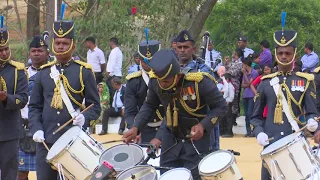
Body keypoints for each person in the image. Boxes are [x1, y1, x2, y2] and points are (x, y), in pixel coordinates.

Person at [122, 49, 228, 179]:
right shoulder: (156, 81)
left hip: (196, 142)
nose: (161, 84)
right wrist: (135, 127)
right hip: (170, 141)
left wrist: (203, 125)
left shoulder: (199, 82)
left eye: (165, 81)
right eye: (159, 80)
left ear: (177, 75)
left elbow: (221, 106)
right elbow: (149, 105)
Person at [28, 18, 101, 180]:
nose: (61, 46)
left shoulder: (84, 72)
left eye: (65, 43)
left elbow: (95, 106)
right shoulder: (43, 72)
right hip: (46, 142)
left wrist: (85, 118)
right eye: (58, 42)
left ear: (73, 45)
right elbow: (34, 107)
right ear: (53, 44)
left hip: (73, 141)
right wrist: (36, 128)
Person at [250, 26, 320, 180]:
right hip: (271, 146)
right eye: (280, 53)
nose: (283, 56)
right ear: (275, 54)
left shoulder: (305, 81)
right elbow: (255, 117)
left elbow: (313, 112)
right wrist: (258, 131)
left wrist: (312, 122)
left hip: (295, 145)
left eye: (287, 53)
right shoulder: (265, 83)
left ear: (295, 55)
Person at [175, 29, 220, 150]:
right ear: (175, 49)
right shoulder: (170, 70)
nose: (182, 50)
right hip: (174, 128)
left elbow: (215, 105)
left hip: (198, 126)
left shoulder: (203, 70)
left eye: (186, 47)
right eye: (180, 47)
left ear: (193, 49)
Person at [0, 16, 28, 180]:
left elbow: (23, 98)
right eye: (0, 50)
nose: (4, 53)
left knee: (9, 174)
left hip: (9, 131)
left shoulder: (17, 70)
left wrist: (6, 98)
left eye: (6, 49)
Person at [18, 35, 49, 180]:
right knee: (21, 172)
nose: (36, 54)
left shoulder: (54, 73)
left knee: (47, 172)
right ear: (29, 53)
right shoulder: (20, 74)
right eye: (33, 51)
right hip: (23, 129)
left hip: (46, 129)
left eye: (40, 51)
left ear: (47, 53)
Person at [125, 39, 164, 143]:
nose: (149, 64)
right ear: (140, 60)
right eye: (145, 61)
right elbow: (130, 112)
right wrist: (135, 128)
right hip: (143, 130)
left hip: (166, 128)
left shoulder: (167, 78)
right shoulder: (133, 82)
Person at [225, 48, 243, 126]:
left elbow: (234, 73)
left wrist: (226, 73)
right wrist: (226, 63)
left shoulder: (240, 63)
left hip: (234, 85)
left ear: (236, 54)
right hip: (228, 85)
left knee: (234, 103)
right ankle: (228, 121)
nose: (233, 55)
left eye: (234, 54)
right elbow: (226, 68)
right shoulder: (233, 62)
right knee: (228, 102)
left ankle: (233, 119)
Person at [241, 55, 259, 137]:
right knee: (246, 114)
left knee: (250, 113)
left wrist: (245, 74)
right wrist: (246, 83)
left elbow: (249, 83)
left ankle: (253, 130)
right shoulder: (245, 73)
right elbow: (242, 85)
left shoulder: (254, 72)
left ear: (245, 64)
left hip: (251, 94)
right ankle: (248, 131)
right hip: (245, 95)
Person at [106, 37, 123, 105]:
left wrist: (109, 73)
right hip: (118, 74)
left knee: (112, 94)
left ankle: (113, 107)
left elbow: (111, 64)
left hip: (113, 75)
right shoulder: (119, 51)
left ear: (111, 43)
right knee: (116, 92)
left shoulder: (114, 52)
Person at [219, 73, 235, 137]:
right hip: (223, 103)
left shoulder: (230, 86)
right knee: (223, 118)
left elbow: (231, 96)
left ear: (227, 79)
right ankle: (223, 131)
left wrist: (228, 102)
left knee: (228, 118)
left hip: (227, 103)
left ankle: (229, 132)